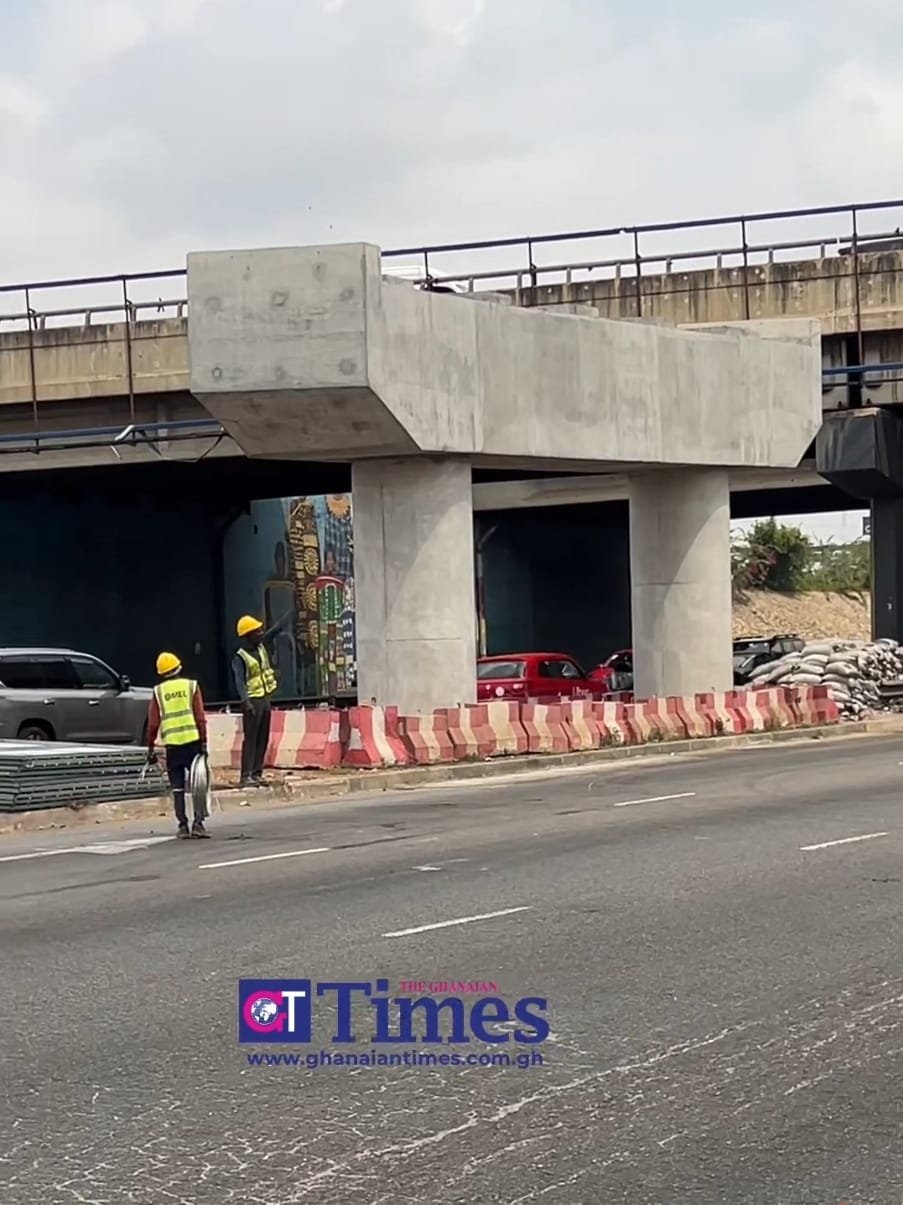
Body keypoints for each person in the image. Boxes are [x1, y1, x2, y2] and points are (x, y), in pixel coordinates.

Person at [146, 651, 210, 839]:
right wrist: (204, 742)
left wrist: (150, 748)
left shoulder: (159, 692)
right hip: (193, 743)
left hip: (173, 746)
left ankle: (182, 826)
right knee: (199, 785)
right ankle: (198, 824)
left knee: (177, 788)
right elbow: (200, 717)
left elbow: (153, 724)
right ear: (179, 668)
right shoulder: (191, 686)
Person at [233, 615, 280, 788]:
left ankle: (256, 773)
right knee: (251, 739)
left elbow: (273, 632)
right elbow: (239, 681)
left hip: (264, 698)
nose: (261, 633)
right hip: (253, 701)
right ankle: (246, 775)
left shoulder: (260, 647)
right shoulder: (240, 657)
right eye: (257, 631)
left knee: (262, 738)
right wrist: (245, 701)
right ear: (248, 635)